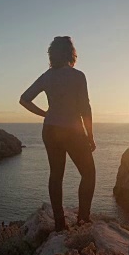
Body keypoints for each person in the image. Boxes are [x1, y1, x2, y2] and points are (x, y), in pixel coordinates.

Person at [19, 36, 96, 231]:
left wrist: (45, 113)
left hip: (51, 130)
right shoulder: (78, 76)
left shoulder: (47, 76)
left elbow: (24, 99)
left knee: (56, 175)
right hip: (73, 130)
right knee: (89, 174)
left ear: (52, 54)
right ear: (71, 53)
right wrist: (90, 136)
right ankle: (83, 219)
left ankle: (60, 224)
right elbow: (85, 108)